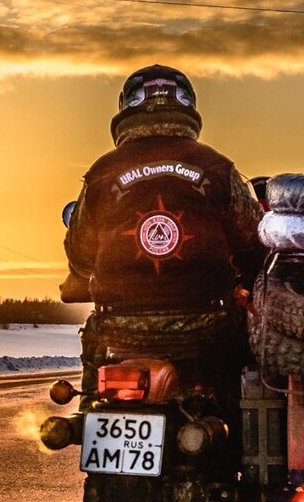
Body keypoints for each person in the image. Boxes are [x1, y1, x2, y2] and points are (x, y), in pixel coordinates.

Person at [61, 65, 265, 407]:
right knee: (246, 368)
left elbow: (79, 250)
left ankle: (91, 414)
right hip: (208, 325)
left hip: (119, 324)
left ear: (126, 108)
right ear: (187, 108)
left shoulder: (102, 173)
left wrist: (87, 273)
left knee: (95, 350)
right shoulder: (217, 168)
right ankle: (241, 439)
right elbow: (253, 238)